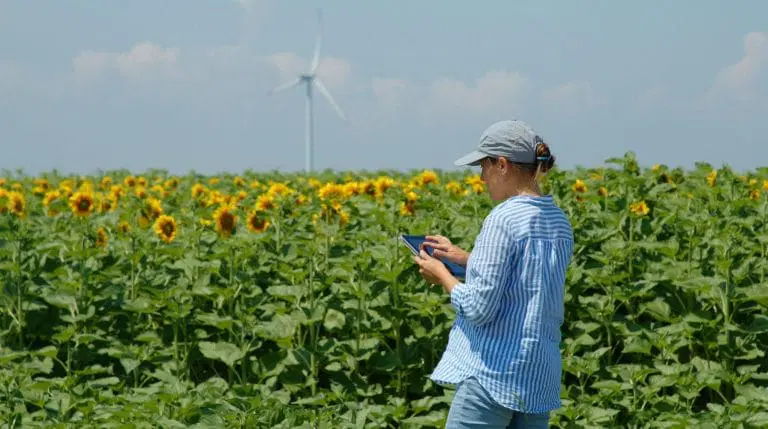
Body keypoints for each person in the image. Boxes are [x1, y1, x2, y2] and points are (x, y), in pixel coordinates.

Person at [413, 120, 574, 429]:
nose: (481, 177)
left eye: (483, 166)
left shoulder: (502, 219)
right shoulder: (558, 220)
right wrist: (466, 258)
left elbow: (478, 308)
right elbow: (527, 278)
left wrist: (443, 275)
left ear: (502, 165)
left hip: (494, 375)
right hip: (538, 376)